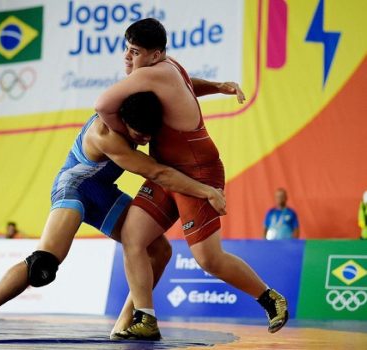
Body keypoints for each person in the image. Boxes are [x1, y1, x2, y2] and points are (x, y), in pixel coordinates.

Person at [0, 91, 227, 343]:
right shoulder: (106, 134)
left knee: (160, 250)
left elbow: (180, 90)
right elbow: (158, 173)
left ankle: (124, 323)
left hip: (102, 191)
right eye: (138, 135)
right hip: (73, 187)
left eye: (148, 135)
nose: (144, 140)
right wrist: (206, 191)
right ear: (124, 122)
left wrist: (217, 86)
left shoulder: (136, 105)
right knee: (42, 264)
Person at [95, 18, 288, 340]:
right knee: (133, 238)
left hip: (199, 172)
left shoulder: (152, 72)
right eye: (127, 51)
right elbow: (187, 86)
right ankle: (146, 318)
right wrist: (217, 86)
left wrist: (123, 134)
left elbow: (102, 105)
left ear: (156, 54)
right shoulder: (168, 68)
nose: (130, 59)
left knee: (208, 259)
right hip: (167, 172)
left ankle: (269, 297)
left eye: (136, 52)